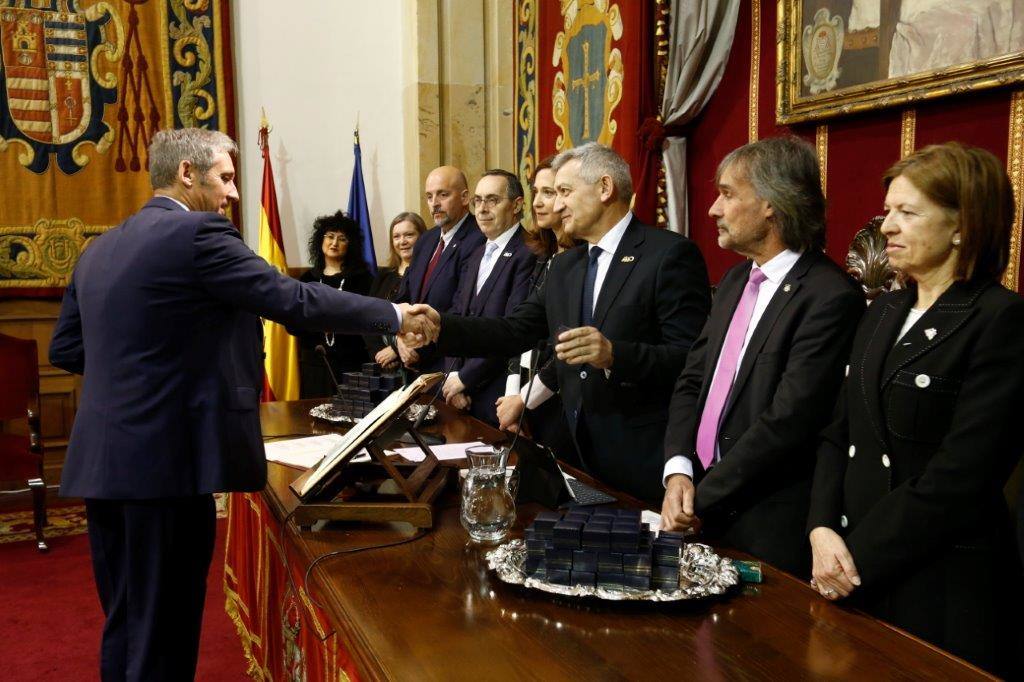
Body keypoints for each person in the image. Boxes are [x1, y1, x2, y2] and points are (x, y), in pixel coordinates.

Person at [47, 128, 436, 682]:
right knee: (165, 628)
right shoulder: (197, 235)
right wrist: (394, 316)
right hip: (168, 468)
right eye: (226, 178)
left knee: (128, 619)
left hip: (102, 463)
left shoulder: (99, 248)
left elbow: (66, 348)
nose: (232, 194)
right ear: (187, 173)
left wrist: (136, 378)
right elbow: (294, 299)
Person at [806, 142, 1024, 676]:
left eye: (907, 213)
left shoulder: (999, 320)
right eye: (887, 212)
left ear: (961, 226)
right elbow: (838, 431)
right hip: (849, 567)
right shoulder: (883, 309)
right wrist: (820, 529)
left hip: (939, 584)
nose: (887, 227)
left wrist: (858, 557)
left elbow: (962, 475)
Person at [430, 142, 711, 503]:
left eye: (564, 192)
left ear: (605, 188)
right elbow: (513, 330)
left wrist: (614, 355)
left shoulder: (669, 255)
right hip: (574, 456)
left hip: (643, 462)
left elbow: (691, 362)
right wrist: (440, 326)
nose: (556, 204)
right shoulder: (565, 266)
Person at [660, 137, 864, 577]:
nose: (714, 209)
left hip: (764, 525)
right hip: (700, 505)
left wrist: (700, 497)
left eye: (728, 194)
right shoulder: (735, 280)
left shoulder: (829, 297)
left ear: (772, 203)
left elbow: (789, 420)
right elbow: (693, 380)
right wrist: (678, 469)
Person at [495, 155, 577, 463]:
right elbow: (522, 335)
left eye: (550, 192)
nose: (539, 202)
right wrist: (513, 395)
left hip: (559, 402)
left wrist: (524, 400)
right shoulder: (542, 256)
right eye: (536, 192)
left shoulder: (580, 258)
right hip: (528, 402)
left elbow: (566, 347)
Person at [441, 169, 537, 425]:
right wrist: (453, 377)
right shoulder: (475, 254)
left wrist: (465, 379)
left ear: (517, 205)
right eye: (478, 200)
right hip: (460, 392)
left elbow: (513, 330)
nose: (482, 209)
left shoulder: (528, 253)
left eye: (492, 200)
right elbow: (457, 315)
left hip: (496, 395)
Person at [395, 165, 486, 373]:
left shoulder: (479, 239)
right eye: (429, 196)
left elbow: (462, 306)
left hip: (447, 363)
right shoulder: (426, 240)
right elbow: (404, 296)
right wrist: (399, 338)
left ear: (464, 198)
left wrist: (417, 344)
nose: (434, 204)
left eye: (443, 195)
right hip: (412, 359)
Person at [293, 211, 374, 397]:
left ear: (350, 245)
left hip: (353, 364)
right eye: (329, 236)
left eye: (342, 238)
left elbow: (368, 319)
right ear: (320, 241)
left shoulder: (363, 280)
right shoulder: (306, 280)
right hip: (315, 364)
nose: (334, 243)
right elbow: (295, 321)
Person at [365, 212, 426, 371]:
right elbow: (368, 317)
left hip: (417, 363)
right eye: (396, 236)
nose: (402, 242)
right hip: (383, 366)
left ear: (423, 237)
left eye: (409, 235)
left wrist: (395, 350)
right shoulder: (383, 276)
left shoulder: (428, 275)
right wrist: (380, 354)